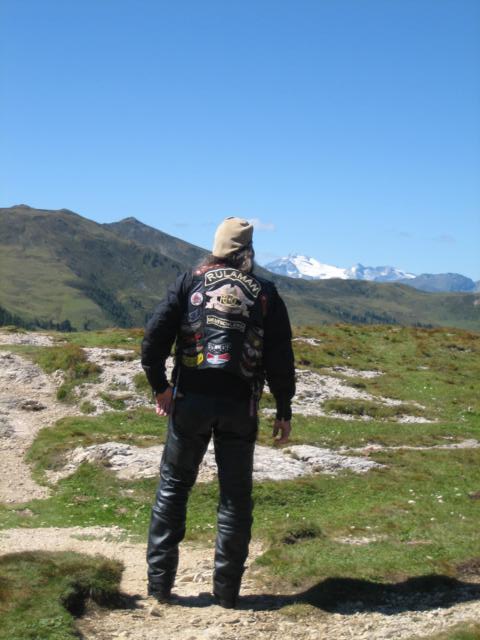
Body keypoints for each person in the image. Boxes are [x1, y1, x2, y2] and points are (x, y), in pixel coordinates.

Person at [141, 216, 295, 609]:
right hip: (240, 405)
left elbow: (154, 338)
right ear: (249, 251)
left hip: (190, 400)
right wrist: (284, 408)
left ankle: (159, 588)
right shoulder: (266, 292)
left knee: (174, 488)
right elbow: (280, 357)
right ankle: (227, 595)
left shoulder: (189, 281)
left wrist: (161, 386)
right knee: (235, 498)